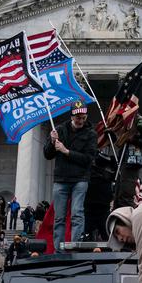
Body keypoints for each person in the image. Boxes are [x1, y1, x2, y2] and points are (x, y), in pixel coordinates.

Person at [43, 100, 97, 249]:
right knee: (59, 217)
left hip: (80, 179)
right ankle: (58, 250)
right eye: (78, 117)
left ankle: (75, 247)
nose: (81, 120)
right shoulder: (60, 130)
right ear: (72, 116)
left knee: (77, 214)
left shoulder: (91, 134)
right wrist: (51, 142)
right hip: (61, 179)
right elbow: (47, 155)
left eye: (83, 117)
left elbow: (88, 159)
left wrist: (66, 152)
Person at [114, 114, 142, 209]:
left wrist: (134, 140)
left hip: (132, 164)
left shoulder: (139, 121)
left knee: (125, 198)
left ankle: (129, 221)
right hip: (122, 163)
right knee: (118, 197)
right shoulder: (124, 121)